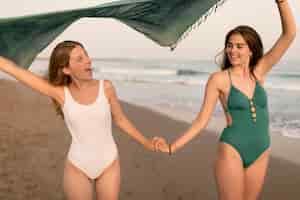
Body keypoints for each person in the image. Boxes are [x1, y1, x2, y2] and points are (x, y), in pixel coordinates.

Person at [156, 0, 296, 199]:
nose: (233, 51)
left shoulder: (259, 72)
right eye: (229, 46)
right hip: (232, 149)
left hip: (262, 149)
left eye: (239, 46)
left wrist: (282, 2)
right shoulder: (219, 79)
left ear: (251, 50)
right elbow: (201, 121)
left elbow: (289, 35)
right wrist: (172, 147)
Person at [0, 40, 159, 200]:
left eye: (86, 55)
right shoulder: (60, 93)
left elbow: (120, 120)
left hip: (109, 163)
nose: (88, 60)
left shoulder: (106, 87)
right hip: (78, 166)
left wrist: (146, 142)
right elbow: (12, 69)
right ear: (66, 69)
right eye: (80, 58)